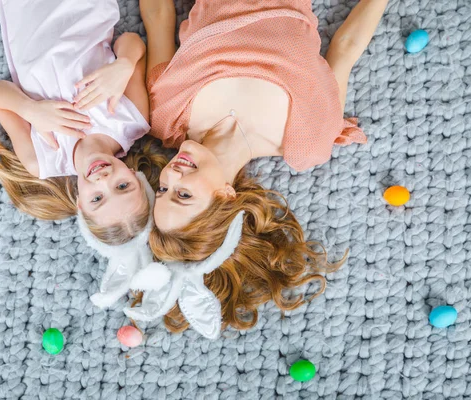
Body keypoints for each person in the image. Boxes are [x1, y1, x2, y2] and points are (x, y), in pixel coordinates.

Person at [140, 0, 389, 334]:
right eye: (182, 194)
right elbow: (345, 49)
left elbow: (157, 14)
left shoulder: (167, 115)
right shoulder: (306, 141)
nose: (171, 174)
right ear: (226, 198)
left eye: (162, 190)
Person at [0, 0, 166, 245]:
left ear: (80, 204)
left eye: (97, 199)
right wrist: (124, 65)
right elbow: (130, 41)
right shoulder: (132, 121)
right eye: (122, 186)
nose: (104, 180)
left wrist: (30, 109)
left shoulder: (42, 160)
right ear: (135, 176)